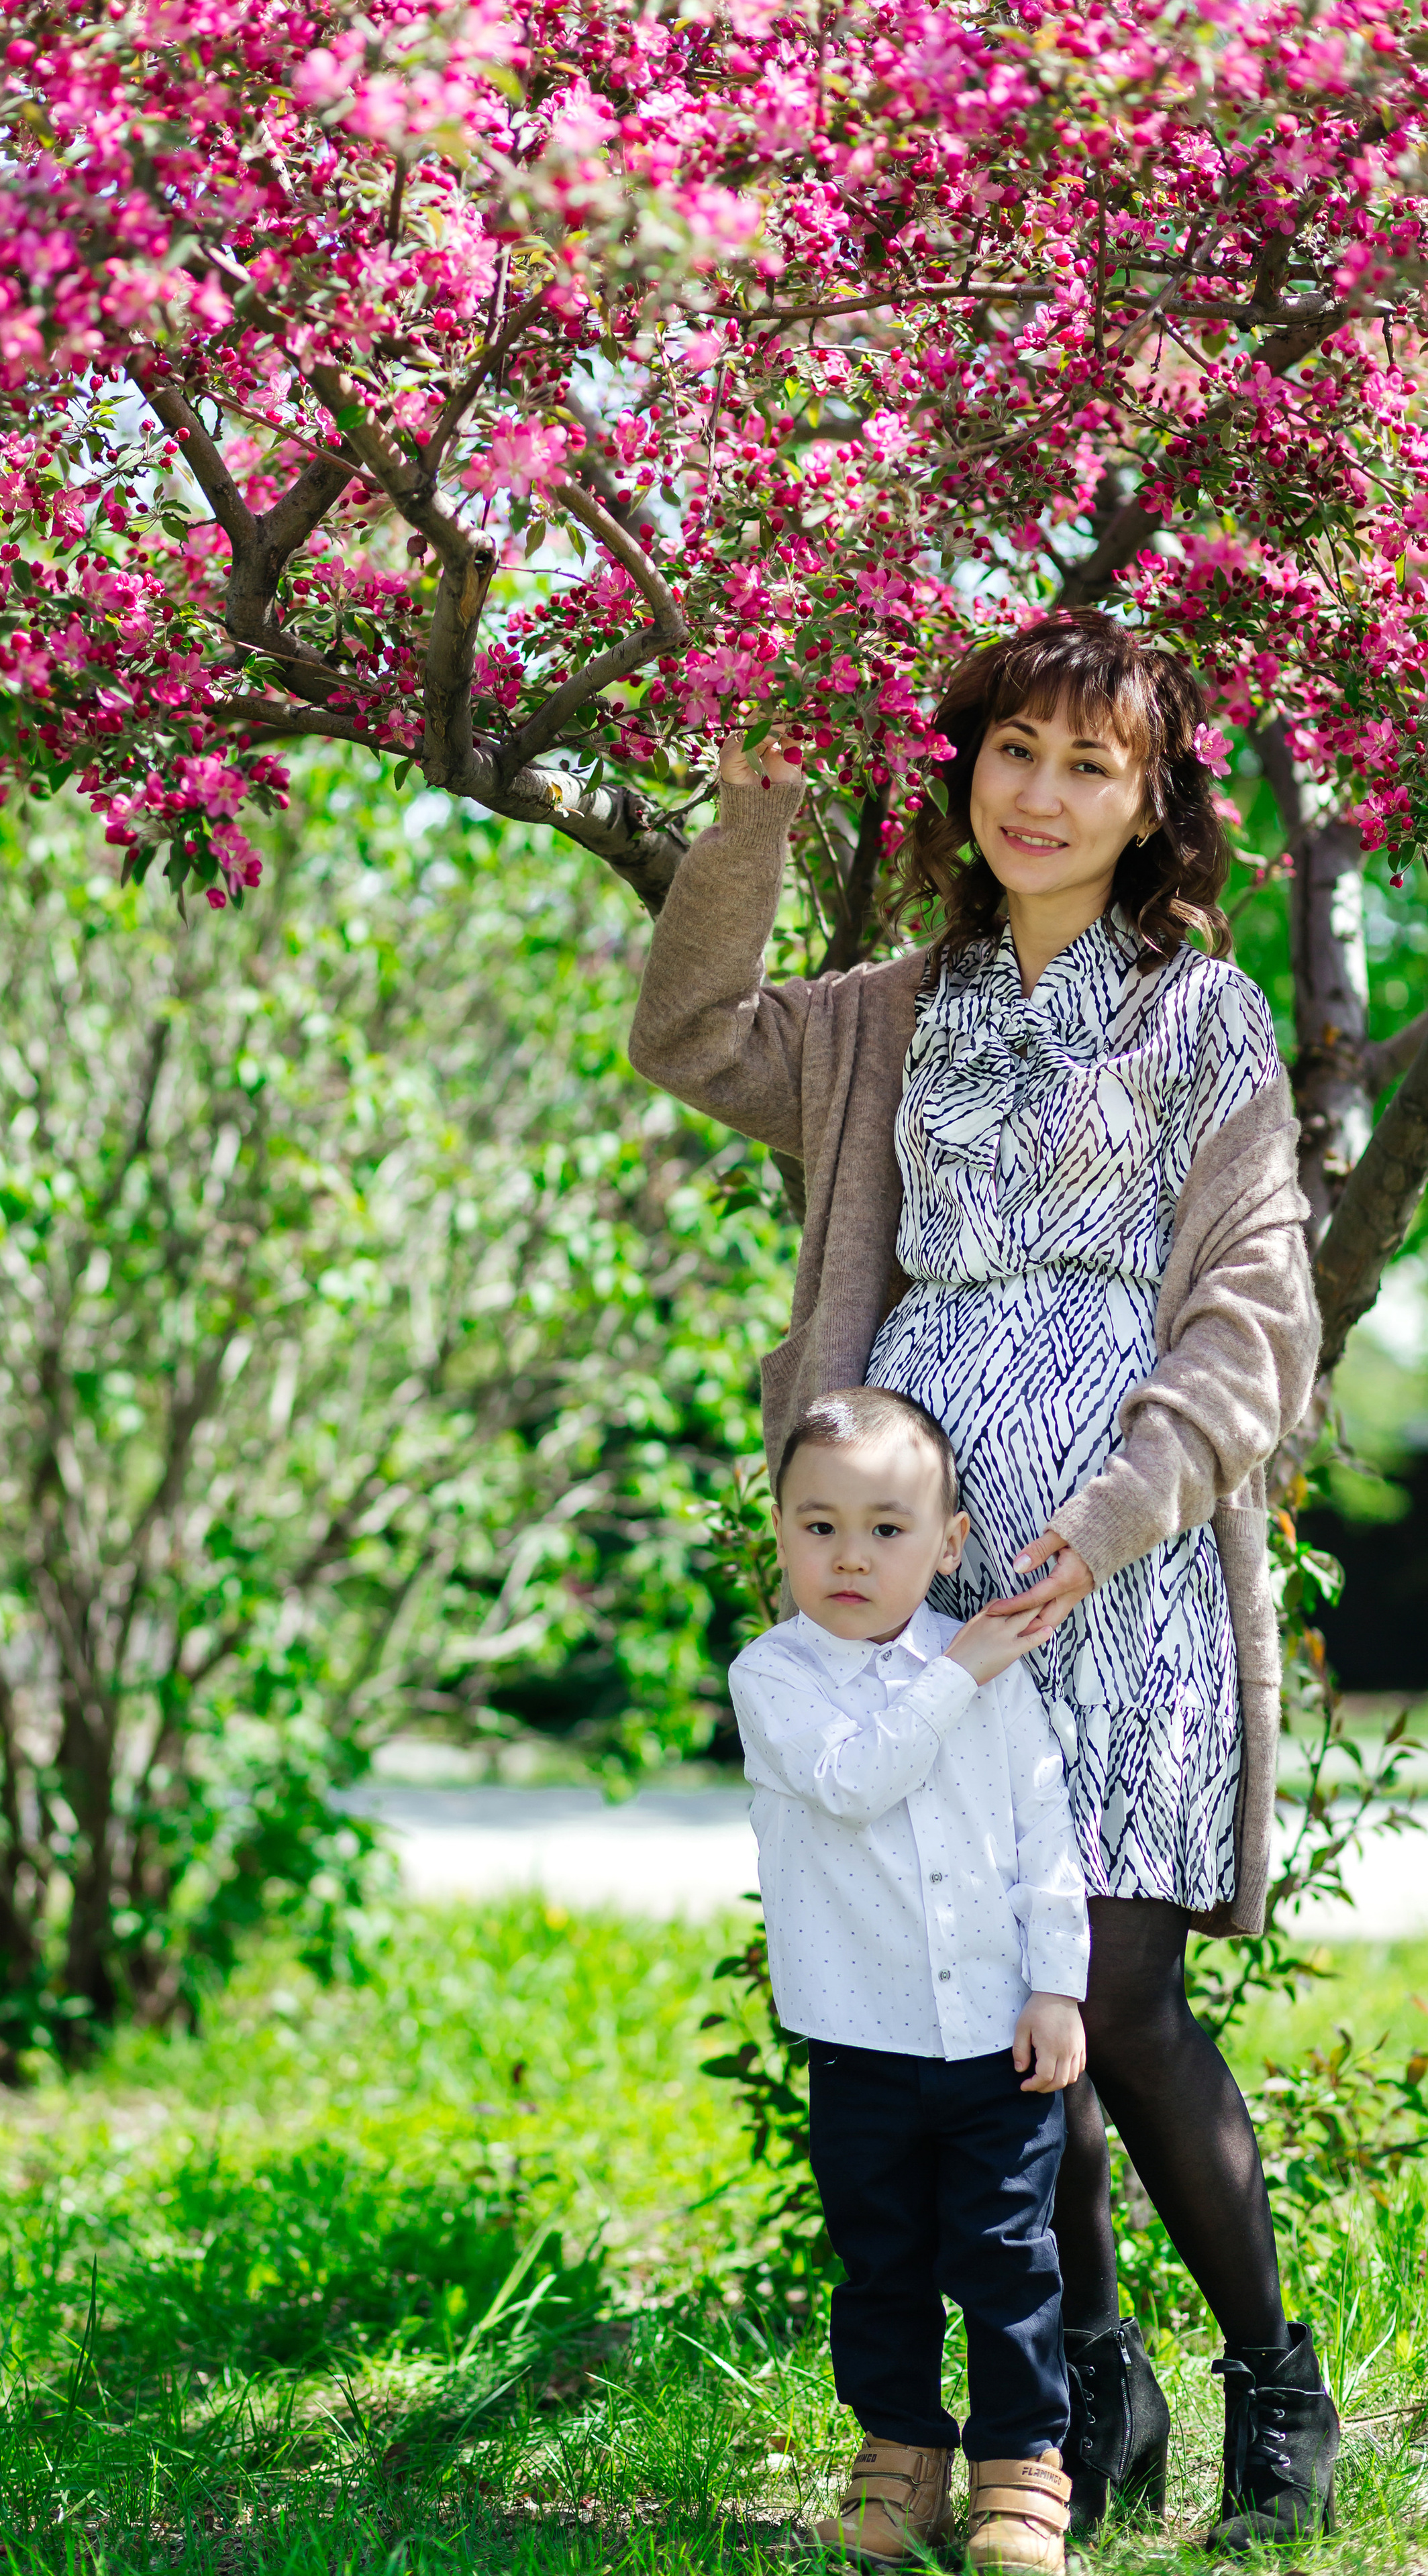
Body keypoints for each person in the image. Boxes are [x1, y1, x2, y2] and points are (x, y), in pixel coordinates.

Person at [628, 610, 1337, 2550]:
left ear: (1150, 803)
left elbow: (1258, 1317)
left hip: (1122, 1569)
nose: (1041, 794)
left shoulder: (1202, 1020)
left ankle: (1276, 2382)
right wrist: (755, 809)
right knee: (992, 2006)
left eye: (1089, 766)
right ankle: (1082, 2395)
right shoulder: (885, 1012)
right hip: (919, 1581)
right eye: (1013, 751)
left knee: (1113, 1985)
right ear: (964, 771)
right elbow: (686, 1035)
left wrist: (1108, 1517)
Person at [733, 1383, 1088, 2574]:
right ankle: (899, 2462)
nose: (851, 1556)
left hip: (996, 2036)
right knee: (882, 2262)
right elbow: (851, 1781)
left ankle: (1021, 2475)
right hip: (861, 2040)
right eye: (820, 1526)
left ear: (948, 1543)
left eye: (887, 1528)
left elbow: (1043, 1833)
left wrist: (1058, 1985)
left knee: (1008, 2260)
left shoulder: (989, 1670)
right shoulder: (773, 1677)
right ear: (780, 1533)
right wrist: (962, 1671)